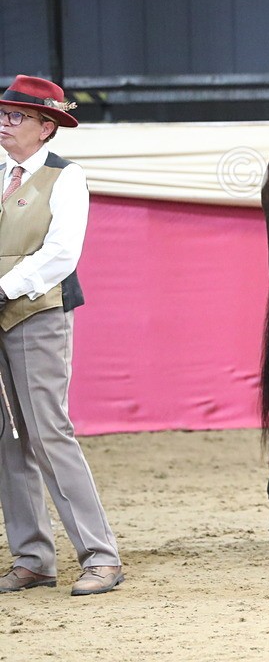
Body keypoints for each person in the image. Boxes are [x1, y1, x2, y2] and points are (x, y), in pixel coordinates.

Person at [0, 75, 123, 596]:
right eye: (2, 113)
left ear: (46, 126)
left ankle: (100, 555)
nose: (4, 122)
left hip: (37, 313)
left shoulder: (66, 177)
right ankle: (32, 558)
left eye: (16, 116)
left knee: (48, 432)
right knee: (6, 439)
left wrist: (4, 288)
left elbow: (61, 253)